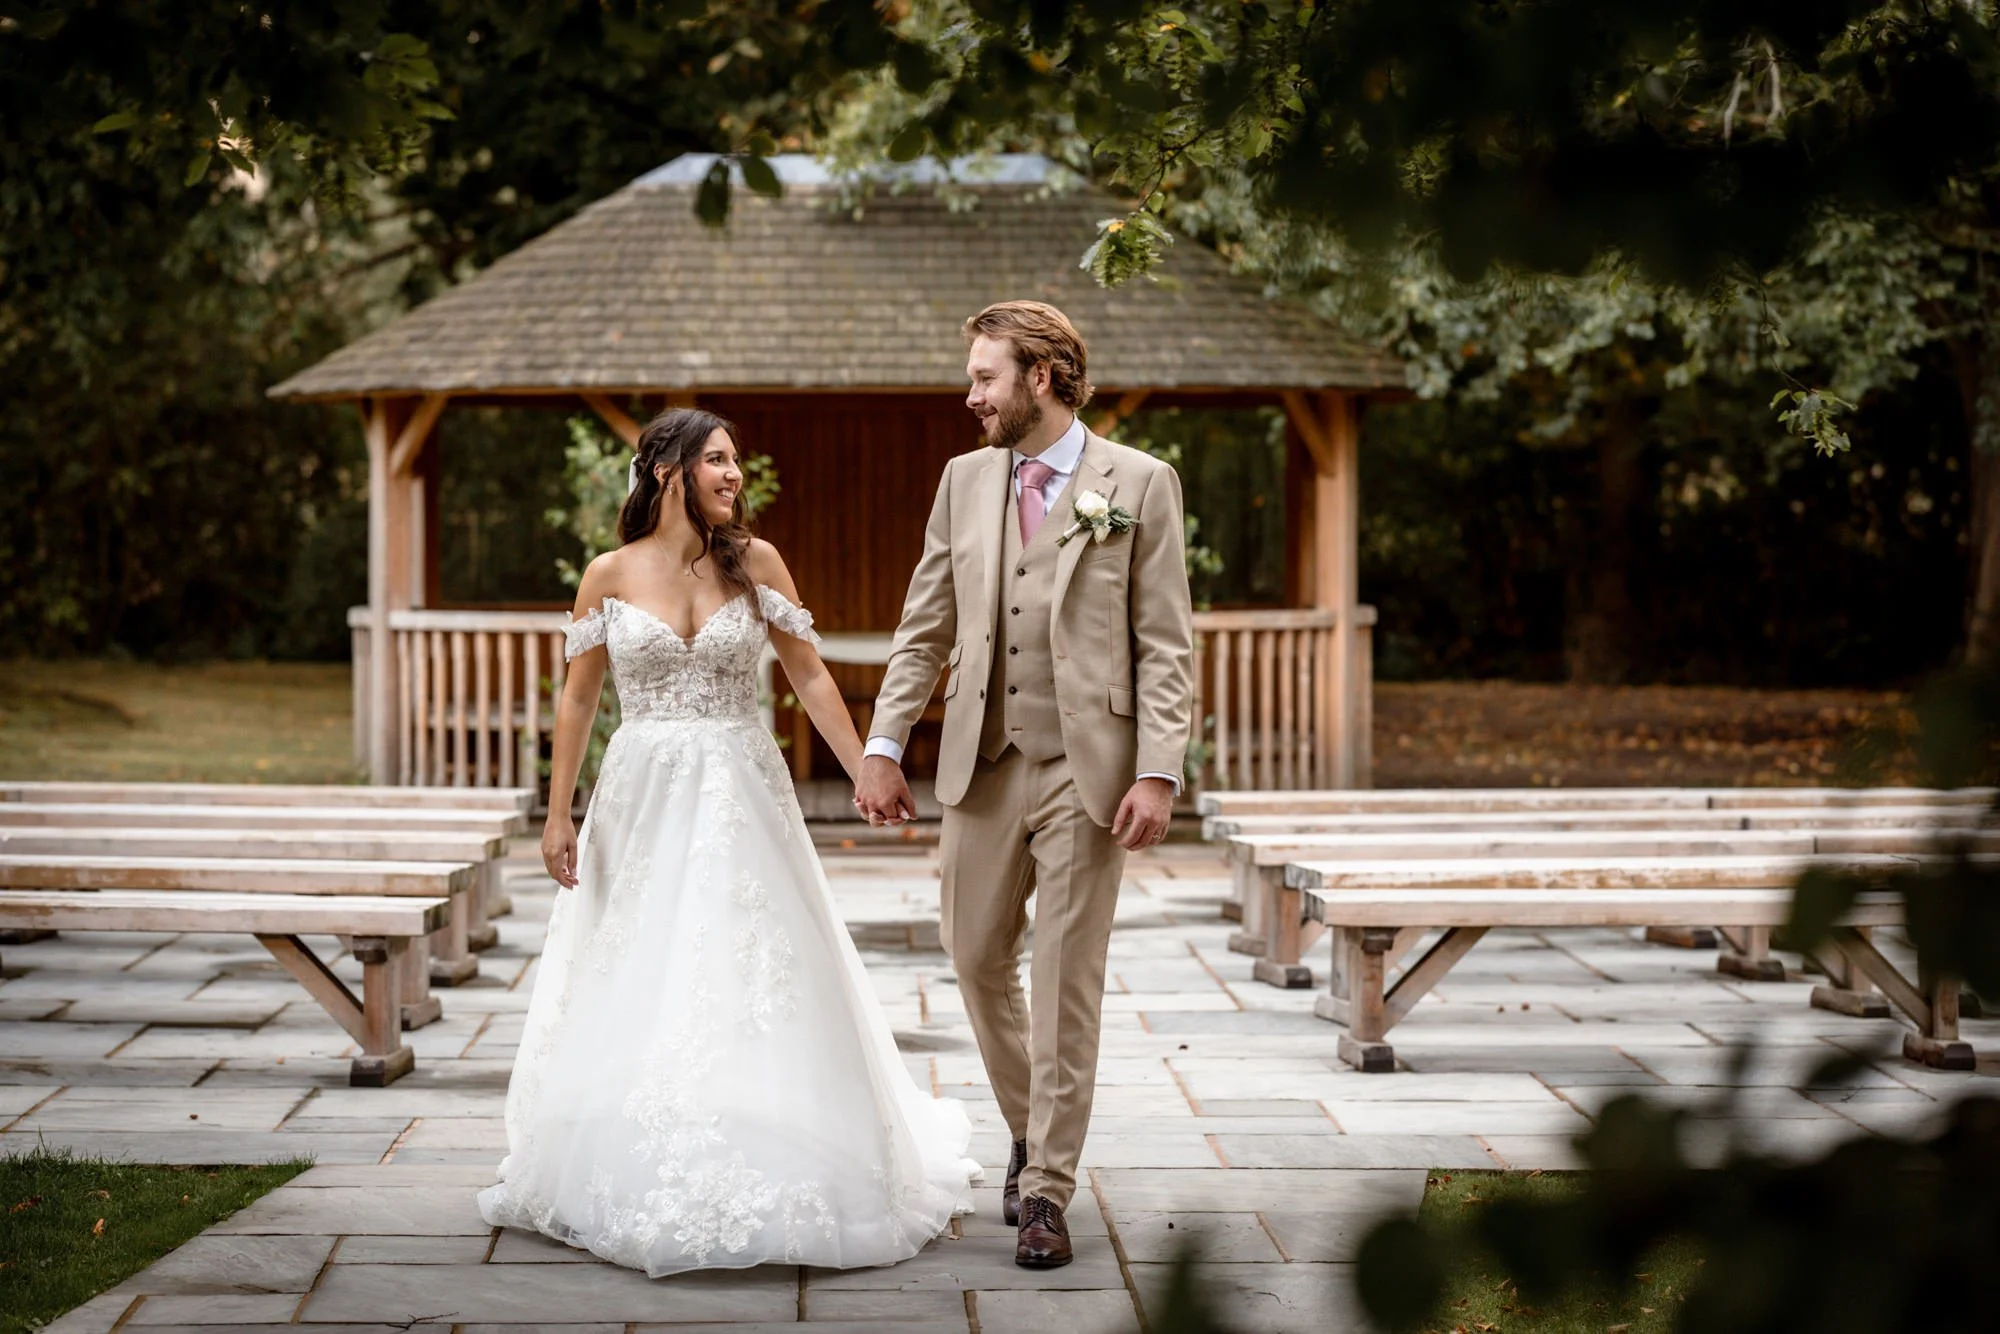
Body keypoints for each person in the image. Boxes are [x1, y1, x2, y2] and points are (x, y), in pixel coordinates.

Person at [477, 407, 980, 1276]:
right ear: (668, 470)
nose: (734, 475)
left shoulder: (755, 564)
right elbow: (578, 699)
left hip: (741, 790)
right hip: (640, 793)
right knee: (639, 964)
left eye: (736, 462)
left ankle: (775, 1144)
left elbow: (808, 672)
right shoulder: (608, 574)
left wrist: (869, 766)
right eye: (717, 460)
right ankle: (635, 1147)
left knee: (744, 963)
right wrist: (559, 812)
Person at [854, 301, 1196, 1269]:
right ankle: (1028, 1125)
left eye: (983, 378)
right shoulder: (962, 480)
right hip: (982, 758)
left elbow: (1165, 642)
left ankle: (1045, 1186)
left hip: (1088, 768)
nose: (970, 396)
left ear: (1040, 376)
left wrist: (1158, 769)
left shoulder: (1137, 482)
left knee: (1062, 980)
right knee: (970, 955)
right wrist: (885, 741)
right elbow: (923, 623)